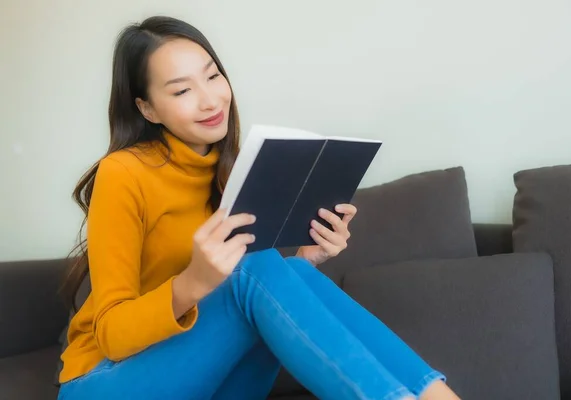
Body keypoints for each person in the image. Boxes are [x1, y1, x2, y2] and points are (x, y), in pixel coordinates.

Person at [56, 15, 460, 400]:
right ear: (147, 108)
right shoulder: (124, 173)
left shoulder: (235, 169)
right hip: (107, 382)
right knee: (259, 265)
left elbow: (253, 305)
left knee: (287, 269)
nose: (210, 99)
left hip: (208, 381)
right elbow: (110, 333)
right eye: (182, 91)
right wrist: (194, 282)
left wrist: (306, 260)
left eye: (213, 76)